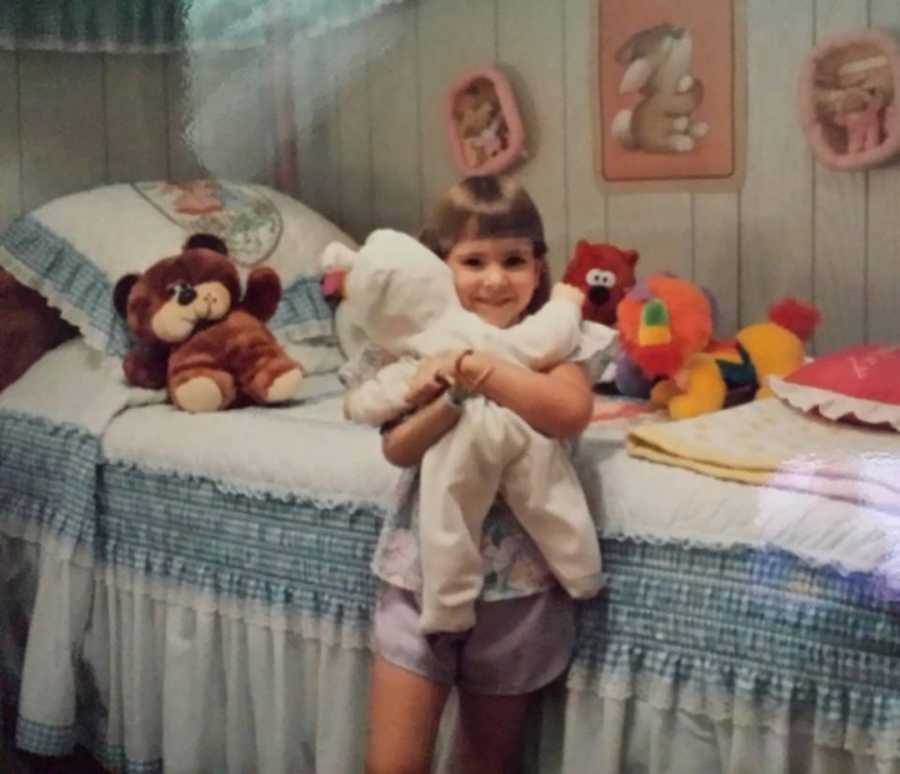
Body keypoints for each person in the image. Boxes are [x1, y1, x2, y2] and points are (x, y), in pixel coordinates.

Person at [341, 175, 603, 774]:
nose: (494, 279)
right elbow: (397, 449)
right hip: (420, 579)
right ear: (439, 267)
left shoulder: (556, 343)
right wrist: (448, 396)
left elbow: (567, 411)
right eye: (473, 261)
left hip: (517, 591)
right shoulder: (413, 349)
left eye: (514, 261)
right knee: (392, 763)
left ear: (539, 268)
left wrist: (475, 364)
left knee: (486, 763)